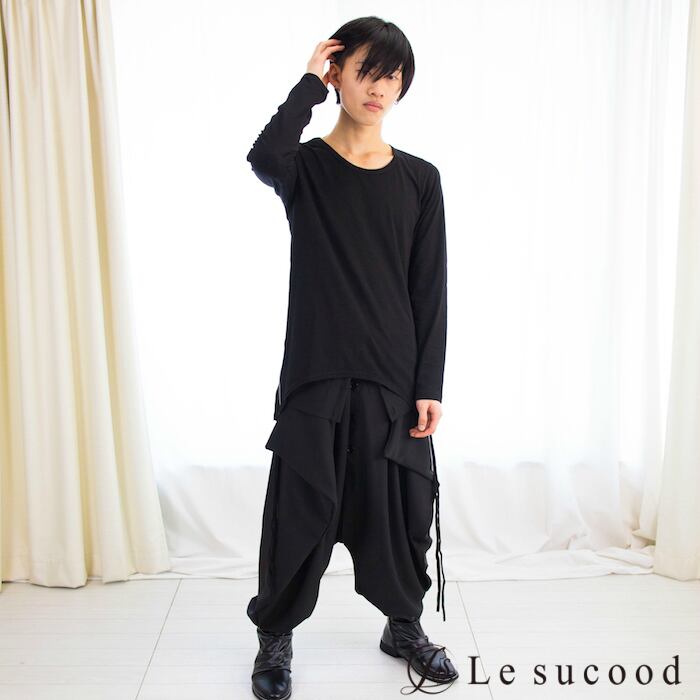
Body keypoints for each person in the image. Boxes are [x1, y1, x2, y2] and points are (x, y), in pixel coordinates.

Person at [244, 16, 457, 700]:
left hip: (393, 378)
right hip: (316, 373)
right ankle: (275, 637)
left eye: (392, 76)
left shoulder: (420, 180)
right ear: (339, 73)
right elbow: (263, 154)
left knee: (400, 513)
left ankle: (404, 626)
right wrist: (309, 82)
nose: (379, 87)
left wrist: (428, 384)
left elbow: (429, 289)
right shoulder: (304, 168)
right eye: (366, 71)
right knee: (298, 511)